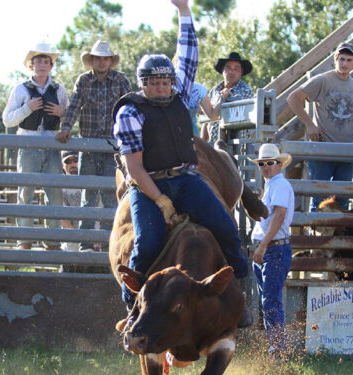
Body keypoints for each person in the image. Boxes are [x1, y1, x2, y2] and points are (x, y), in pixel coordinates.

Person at [112, 0, 252, 327]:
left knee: (227, 228)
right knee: (145, 243)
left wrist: (184, 11)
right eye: (155, 83)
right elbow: (133, 168)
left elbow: (188, 55)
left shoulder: (181, 92)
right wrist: (160, 201)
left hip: (187, 179)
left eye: (166, 82)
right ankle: (132, 308)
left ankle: (238, 295)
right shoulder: (130, 112)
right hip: (148, 184)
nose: (162, 87)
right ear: (143, 84)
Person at [56, 40, 131, 252]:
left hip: (112, 147)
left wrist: (129, 135)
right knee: (88, 197)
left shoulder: (121, 80)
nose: (102, 62)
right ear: (93, 61)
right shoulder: (84, 81)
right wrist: (66, 127)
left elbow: (129, 108)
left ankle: (111, 244)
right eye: (98, 58)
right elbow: (74, 106)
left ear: (110, 61)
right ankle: (86, 243)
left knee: (110, 195)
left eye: (105, 58)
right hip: (88, 146)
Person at [2, 43, 68, 250]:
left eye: (46, 61)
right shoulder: (20, 89)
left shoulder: (59, 90)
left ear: (51, 66)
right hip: (29, 145)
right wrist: (26, 109)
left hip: (52, 146)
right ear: (31, 65)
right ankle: (24, 239)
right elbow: (7, 120)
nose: (42, 65)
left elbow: (69, 116)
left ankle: (52, 240)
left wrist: (62, 112)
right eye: (38, 61)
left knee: (55, 193)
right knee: (25, 192)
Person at [286, 42, 353, 212]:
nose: (344, 63)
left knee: (342, 199)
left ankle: (339, 237)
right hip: (322, 148)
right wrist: (310, 124)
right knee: (319, 199)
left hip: (345, 151)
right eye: (341, 59)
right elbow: (293, 98)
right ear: (335, 60)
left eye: (348, 60)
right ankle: (316, 236)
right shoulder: (323, 80)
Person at [250, 143, 295, 358]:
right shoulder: (273, 185)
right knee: (268, 299)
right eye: (262, 164)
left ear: (279, 164)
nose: (266, 167)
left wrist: (262, 245)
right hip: (271, 249)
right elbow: (272, 217)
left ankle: (278, 348)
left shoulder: (279, 185)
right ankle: (276, 347)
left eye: (269, 163)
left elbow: (279, 216)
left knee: (270, 300)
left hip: (273, 249)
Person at [201, 51, 254, 145]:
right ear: (223, 70)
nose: (231, 71)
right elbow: (206, 121)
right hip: (213, 146)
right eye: (228, 67)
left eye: (236, 68)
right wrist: (202, 145)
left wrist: (225, 98)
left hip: (236, 146)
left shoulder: (246, 91)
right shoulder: (214, 91)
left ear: (241, 72)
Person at [60, 151, 81, 252]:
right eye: (68, 161)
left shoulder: (92, 181)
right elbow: (64, 222)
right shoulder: (59, 186)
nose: (72, 164)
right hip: (71, 240)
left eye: (75, 160)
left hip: (95, 238)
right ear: (63, 165)